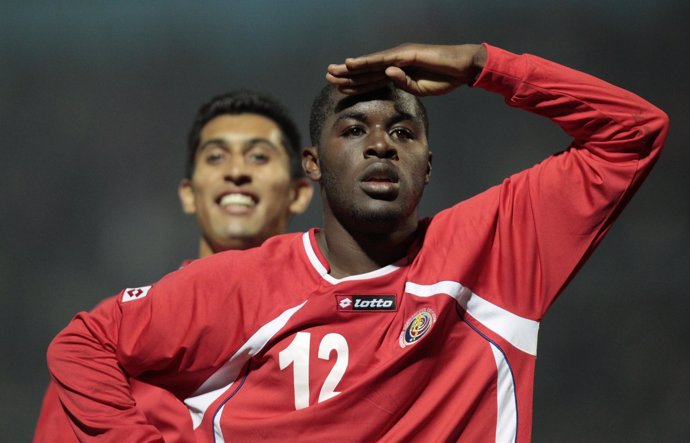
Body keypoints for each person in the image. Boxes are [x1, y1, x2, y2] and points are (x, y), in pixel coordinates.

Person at [46, 42, 668, 442]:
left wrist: (482, 65)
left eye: (403, 131)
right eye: (354, 129)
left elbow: (634, 132)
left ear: (428, 165)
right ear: (312, 164)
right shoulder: (242, 285)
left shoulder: (494, 251)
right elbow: (84, 344)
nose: (380, 145)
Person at [34, 90, 313, 442]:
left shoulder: (339, 326)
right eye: (216, 157)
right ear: (188, 193)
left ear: (299, 193)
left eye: (259, 156)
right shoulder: (109, 342)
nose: (237, 171)